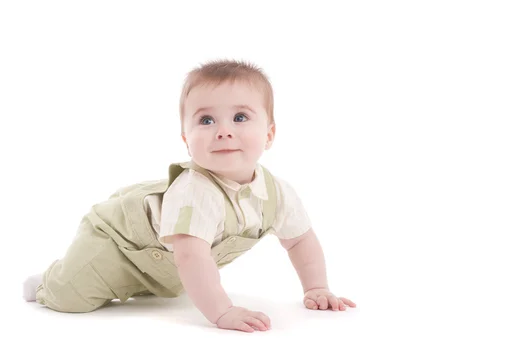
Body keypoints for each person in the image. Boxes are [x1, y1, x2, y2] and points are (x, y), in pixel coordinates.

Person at [23, 59, 356, 333]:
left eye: (240, 117)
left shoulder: (277, 193)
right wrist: (221, 311)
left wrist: (316, 288)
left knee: (157, 292)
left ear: (269, 134)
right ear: (186, 139)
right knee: (72, 298)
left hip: (161, 269)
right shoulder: (194, 191)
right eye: (206, 120)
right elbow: (192, 258)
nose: (224, 130)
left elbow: (300, 241)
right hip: (116, 244)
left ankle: (127, 286)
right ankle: (48, 280)